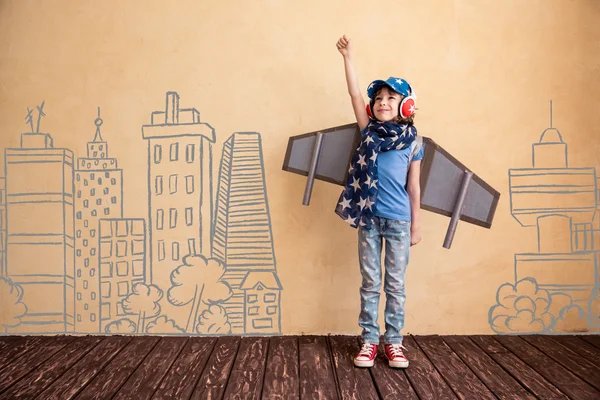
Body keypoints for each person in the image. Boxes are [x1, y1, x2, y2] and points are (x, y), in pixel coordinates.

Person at [334, 34, 424, 368]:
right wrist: (348, 58)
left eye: (391, 97)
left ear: (406, 104)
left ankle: (394, 342)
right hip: (369, 220)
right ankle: (370, 341)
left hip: (399, 221)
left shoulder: (414, 142)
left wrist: (417, 224)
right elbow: (355, 93)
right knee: (371, 283)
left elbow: (414, 187)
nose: (382, 101)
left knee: (396, 285)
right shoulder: (368, 130)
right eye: (379, 98)